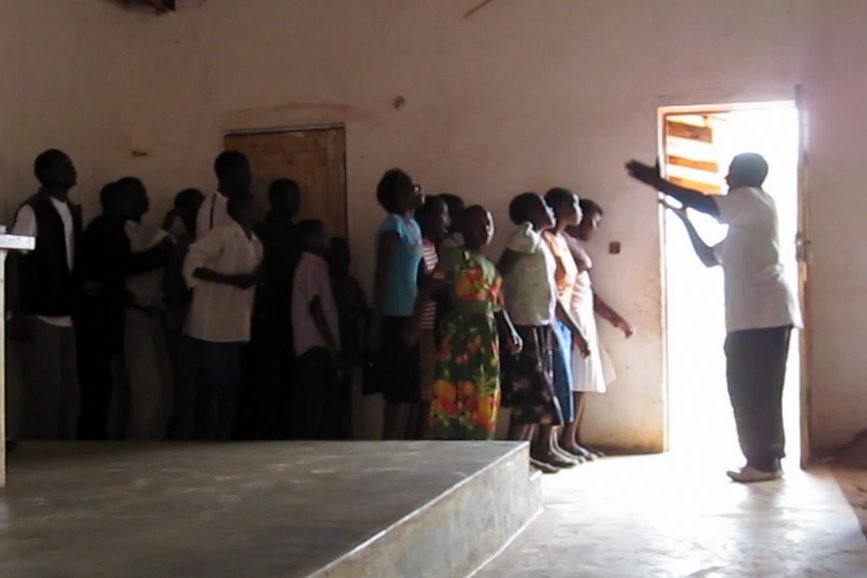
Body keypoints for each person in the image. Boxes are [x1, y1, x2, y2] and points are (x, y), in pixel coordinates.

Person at [626, 153, 801, 483]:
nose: (726, 178)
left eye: (732, 172)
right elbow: (709, 257)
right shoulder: (745, 224)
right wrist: (685, 220)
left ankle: (764, 462)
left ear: (747, 176)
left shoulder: (752, 199)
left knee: (753, 389)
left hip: (762, 315)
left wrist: (658, 183)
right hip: (758, 316)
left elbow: (706, 203)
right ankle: (767, 460)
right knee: (754, 389)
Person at [499, 193, 588, 473]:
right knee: (527, 395)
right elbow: (499, 275)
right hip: (523, 323)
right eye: (544, 206)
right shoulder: (524, 236)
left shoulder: (539, 242)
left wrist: (573, 330)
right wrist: (504, 318)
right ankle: (513, 459)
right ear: (530, 213)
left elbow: (552, 295)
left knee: (536, 397)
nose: (550, 209)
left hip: (539, 323)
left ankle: (523, 455)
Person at [428, 205, 522, 440]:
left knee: (483, 386)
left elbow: (497, 304)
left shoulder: (490, 265)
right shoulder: (455, 257)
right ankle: (450, 438)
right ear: (463, 228)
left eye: (488, 224)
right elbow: (431, 288)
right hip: (460, 333)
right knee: (456, 383)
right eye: (478, 225)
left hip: (487, 335)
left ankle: (479, 437)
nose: (485, 229)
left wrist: (511, 332)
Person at [8, 149, 82, 440]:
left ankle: (65, 446)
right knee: (46, 390)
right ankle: (43, 447)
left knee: (69, 389)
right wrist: (17, 310)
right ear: (46, 173)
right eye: (65, 165)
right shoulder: (33, 210)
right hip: (41, 312)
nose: (72, 169)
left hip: (68, 310)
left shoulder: (73, 211)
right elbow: (15, 258)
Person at [183, 193, 263, 440]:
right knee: (214, 385)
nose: (260, 209)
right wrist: (230, 280)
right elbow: (192, 261)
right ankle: (209, 438)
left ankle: (223, 437)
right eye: (255, 205)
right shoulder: (223, 234)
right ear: (241, 210)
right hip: (212, 323)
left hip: (234, 323)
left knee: (230, 385)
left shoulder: (256, 243)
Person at [562, 197, 635, 460]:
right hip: (571, 318)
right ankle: (565, 440)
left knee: (583, 382)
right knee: (575, 383)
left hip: (583, 317)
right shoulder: (563, 244)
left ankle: (573, 439)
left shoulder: (574, 246)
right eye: (594, 223)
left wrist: (616, 319)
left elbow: (590, 295)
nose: (595, 229)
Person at [370, 168, 424, 440]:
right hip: (393, 315)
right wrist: (376, 322)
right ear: (399, 194)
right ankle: (389, 446)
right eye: (413, 186)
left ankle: (402, 446)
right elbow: (382, 275)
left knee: (409, 390)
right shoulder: (393, 226)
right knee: (396, 390)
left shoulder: (414, 226)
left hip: (411, 314)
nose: (419, 189)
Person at [120, 177, 175, 440]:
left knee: (164, 386)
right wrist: (165, 236)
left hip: (153, 313)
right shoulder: (123, 231)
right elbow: (139, 259)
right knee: (147, 388)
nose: (145, 199)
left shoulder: (145, 231)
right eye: (138, 195)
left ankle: (155, 441)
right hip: (136, 313)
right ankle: (139, 444)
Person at [542, 188, 593, 462]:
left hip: (563, 318)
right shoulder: (545, 240)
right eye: (575, 205)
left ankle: (553, 444)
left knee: (561, 381)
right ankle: (544, 445)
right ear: (561, 208)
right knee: (550, 383)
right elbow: (550, 291)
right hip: (552, 316)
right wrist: (574, 328)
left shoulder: (562, 240)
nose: (579, 211)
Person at [250, 178, 302, 439]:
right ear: (277, 199)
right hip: (270, 309)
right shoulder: (263, 230)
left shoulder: (295, 231)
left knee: (288, 374)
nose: (297, 202)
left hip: (292, 309)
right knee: (269, 374)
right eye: (292, 196)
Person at [292, 220, 342, 440]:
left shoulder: (319, 266)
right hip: (314, 344)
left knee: (322, 400)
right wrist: (331, 344)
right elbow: (315, 307)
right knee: (315, 401)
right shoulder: (309, 268)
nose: (327, 239)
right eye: (322, 235)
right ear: (310, 239)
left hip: (319, 344)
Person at [162, 188, 205, 439]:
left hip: (192, 316)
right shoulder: (182, 244)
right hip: (181, 316)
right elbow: (175, 285)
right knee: (185, 381)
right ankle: (183, 434)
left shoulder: (196, 242)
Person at [413, 196, 450, 438]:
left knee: (430, 389)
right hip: (422, 326)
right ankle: (421, 441)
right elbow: (423, 285)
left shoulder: (431, 247)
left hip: (432, 325)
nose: (447, 221)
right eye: (442, 215)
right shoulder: (418, 246)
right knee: (425, 390)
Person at [327, 238, 369, 439]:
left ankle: (345, 434)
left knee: (345, 393)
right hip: (330, 343)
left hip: (350, 342)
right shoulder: (325, 281)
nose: (345, 259)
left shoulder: (350, 282)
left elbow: (362, 309)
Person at [195, 150, 252, 240]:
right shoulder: (213, 209)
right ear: (229, 174)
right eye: (245, 171)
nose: (249, 176)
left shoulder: (236, 202)